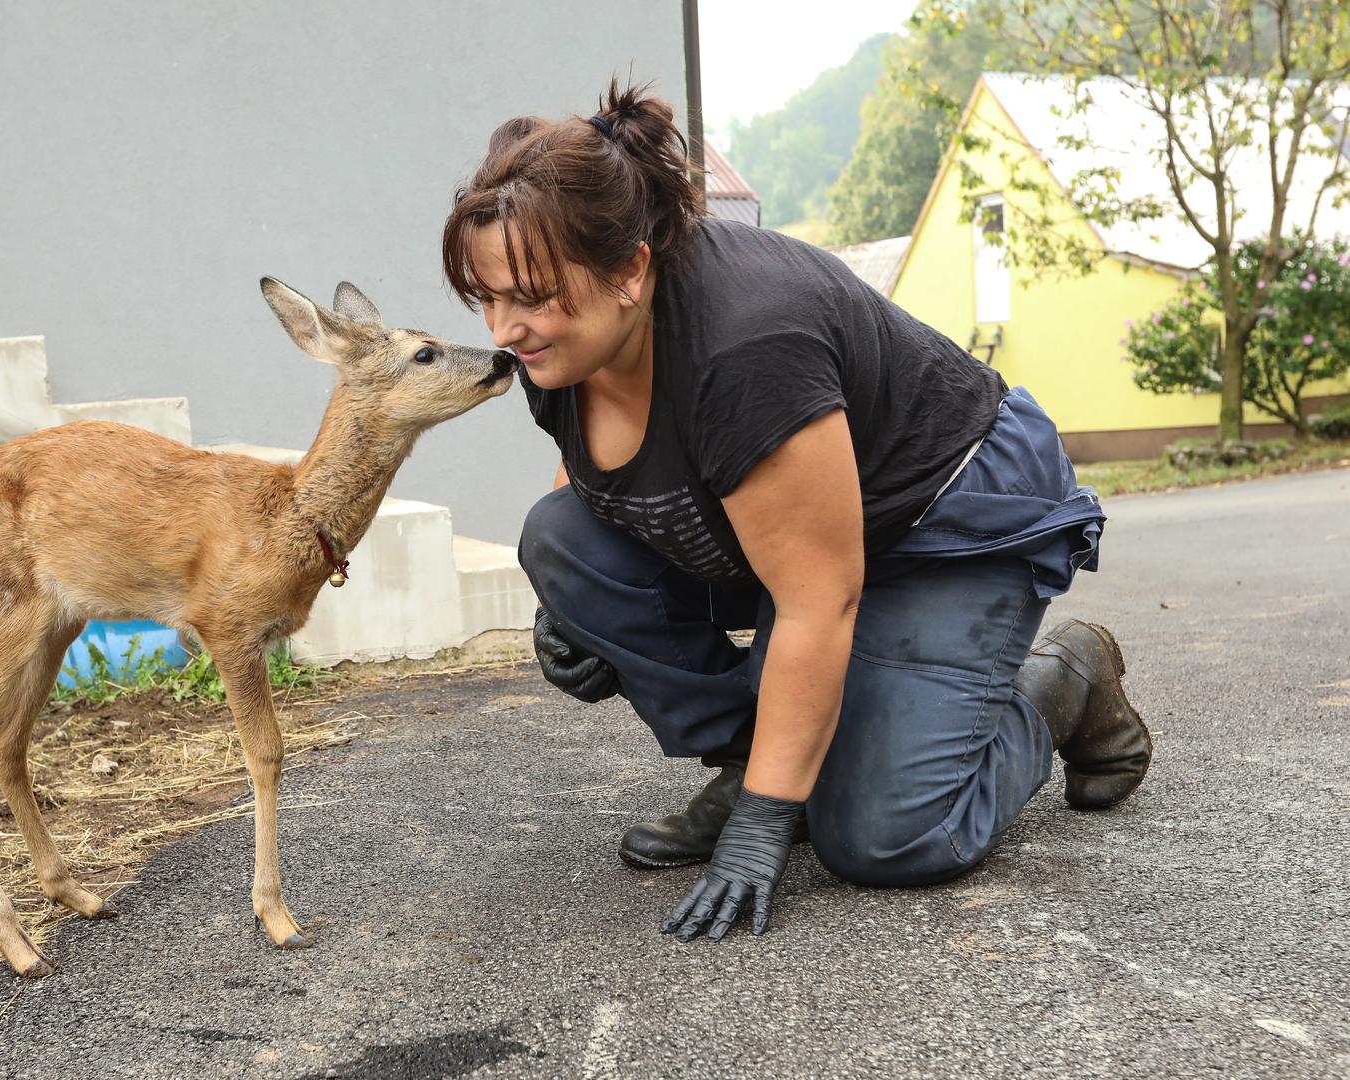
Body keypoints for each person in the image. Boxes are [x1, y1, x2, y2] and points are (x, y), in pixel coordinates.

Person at [439, 81, 1153, 944]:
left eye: (530, 295)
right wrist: (570, 611)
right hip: (799, 530)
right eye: (485, 297)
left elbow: (820, 597)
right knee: (561, 544)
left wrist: (761, 829)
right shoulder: (563, 345)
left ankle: (1060, 682)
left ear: (629, 267)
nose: (505, 327)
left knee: (887, 839)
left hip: (940, 520)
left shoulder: (746, 346)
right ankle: (760, 763)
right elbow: (590, 489)